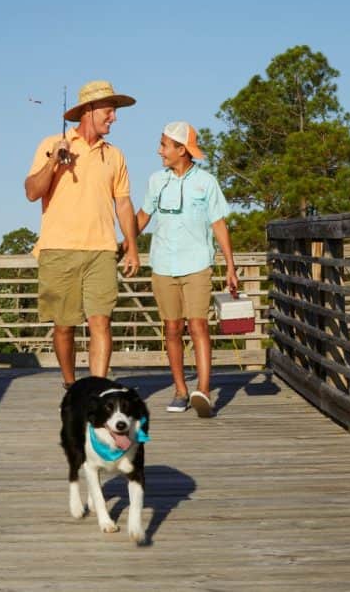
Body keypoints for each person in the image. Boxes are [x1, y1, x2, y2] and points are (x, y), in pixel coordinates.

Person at [24, 80, 141, 388]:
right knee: (64, 327)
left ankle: (98, 389)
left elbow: (124, 203)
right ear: (88, 111)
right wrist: (54, 161)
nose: (114, 118)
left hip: (102, 250)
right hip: (58, 249)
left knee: (101, 321)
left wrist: (131, 246)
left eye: (114, 112)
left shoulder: (115, 156)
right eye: (109, 111)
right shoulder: (51, 143)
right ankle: (70, 384)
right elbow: (32, 192)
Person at [135, 121, 238, 418]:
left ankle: (202, 392)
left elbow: (219, 224)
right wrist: (125, 244)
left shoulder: (206, 182)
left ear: (182, 150)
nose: (159, 151)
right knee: (171, 328)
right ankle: (181, 391)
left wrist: (231, 266)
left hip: (197, 264)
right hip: (163, 264)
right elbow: (142, 216)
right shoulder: (157, 180)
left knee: (198, 326)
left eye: (164, 145)